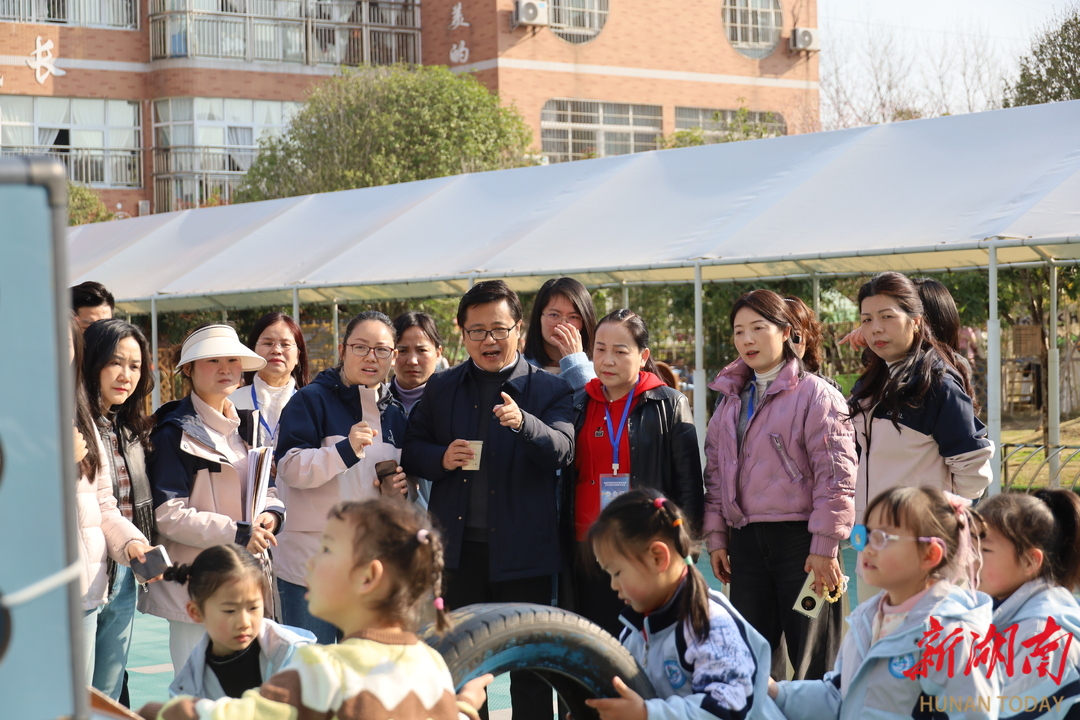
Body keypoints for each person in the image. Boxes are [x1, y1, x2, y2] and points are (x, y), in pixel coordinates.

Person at [140, 499, 494, 720]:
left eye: (326, 550)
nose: (310, 562)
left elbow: (241, 716)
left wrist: (170, 711)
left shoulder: (322, 669)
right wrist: (464, 705)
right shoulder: (430, 662)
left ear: (367, 577)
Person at [402, 280, 574, 720]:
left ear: (519, 329)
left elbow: (563, 450)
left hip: (525, 556)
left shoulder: (549, 389)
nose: (488, 340)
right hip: (458, 556)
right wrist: (441, 457)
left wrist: (524, 424)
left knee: (530, 670)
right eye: (476, 331)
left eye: (498, 329)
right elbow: (412, 449)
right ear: (462, 334)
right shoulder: (441, 388)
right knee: (458, 669)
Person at [704, 289, 856, 680]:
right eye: (739, 331)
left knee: (815, 662)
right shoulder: (729, 400)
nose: (747, 339)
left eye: (758, 328)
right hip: (746, 545)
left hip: (802, 546)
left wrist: (825, 547)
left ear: (786, 332)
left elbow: (836, 477)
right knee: (754, 663)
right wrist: (718, 538)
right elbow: (716, 475)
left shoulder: (817, 395)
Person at [769, 486, 998, 720]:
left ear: (930, 554)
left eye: (882, 538)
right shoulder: (866, 618)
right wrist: (776, 692)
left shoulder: (953, 636)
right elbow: (840, 695)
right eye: (865, 534)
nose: (867, 548)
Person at [142, 324, 286, 673]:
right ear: (188, 370)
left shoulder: (248, 426)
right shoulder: (172, 432)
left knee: (244, 687)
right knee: (197, 686)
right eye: (212, 360)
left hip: (244, 583)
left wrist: (271, 515)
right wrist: (239, 533)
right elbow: (167, 514)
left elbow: (266, 489)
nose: (225, 368)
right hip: (195, 587)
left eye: (232, 360)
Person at [848, 272, 992, 600]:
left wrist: (937, 522)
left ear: (915, 321)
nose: (875, 329)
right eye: (866, 320)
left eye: (887, 317)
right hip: (872, 546)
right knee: (875, 630)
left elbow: (974, 470)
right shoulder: (871, 385)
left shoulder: (937, 385)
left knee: (927, 634)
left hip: (923, 553)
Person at [585, 489, 785, 720]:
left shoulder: (710, 626)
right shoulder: (634, 633)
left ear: (658, 557)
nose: (613, 585)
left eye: (617, 572)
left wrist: (646, 714)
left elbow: (729, 710)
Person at [564, 309, 703, 636]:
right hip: (587, 546)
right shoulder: (577, 403)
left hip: (644, 547)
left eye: (620, 351)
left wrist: (686, 548)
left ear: (643, 356)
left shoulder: (669, 404)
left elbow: (689, 485)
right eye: (600, 349)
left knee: (644, 639)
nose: (607, 360)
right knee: (593, 641)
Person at [274, 310, 410, 644]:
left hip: (368, 567)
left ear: (393, 357)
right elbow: (289, 468)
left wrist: (396, 491)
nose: (371, 357)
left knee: (360, 666)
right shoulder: (309, 400)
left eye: (381, 350)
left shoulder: (395, 412)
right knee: (311, 665)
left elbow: (390, 484)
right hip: (310, 565)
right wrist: (344, 451)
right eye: (360, 347)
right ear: (343, 349)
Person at [73, 317, 156, 693]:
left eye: (135, 365)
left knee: (106, 694)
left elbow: (107, 504)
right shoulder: (73, 425)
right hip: (83, 574)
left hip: (122, 569)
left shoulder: (129, 426)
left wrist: (137, 544)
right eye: (115, 362)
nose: (126, 375)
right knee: (77, 694)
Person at [977, 491, 1080, 719]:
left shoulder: (1041, 637)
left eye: (984, 550)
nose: (970, 559)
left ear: (1029, 562)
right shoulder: (1000, 613)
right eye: (969, 546)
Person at [166, 544, 314, 700]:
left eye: (253, 607)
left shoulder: (296, 655)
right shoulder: (187, 687)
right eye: (230, 611)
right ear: (196, 612)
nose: (244, 623)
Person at [229, 312, 309, 448]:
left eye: (285, 344)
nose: (276, 350)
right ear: (252, 350)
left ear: (297, 356)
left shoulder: (311, 405)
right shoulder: (230, 402)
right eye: (267, 343)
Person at [390, 311, 445, 509]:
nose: (412, 360)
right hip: (386, 519)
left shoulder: (455, 404)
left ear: (438, 353)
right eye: (402, 350)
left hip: (443, 519)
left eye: (422, 350)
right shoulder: (374, 404)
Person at [523, 276, 597, 390]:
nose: (562, 324)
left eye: (573, 317)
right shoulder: (519, 368)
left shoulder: (601, 369)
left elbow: (588, 396)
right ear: (539, 318)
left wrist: (575, 360)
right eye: (554, 315)